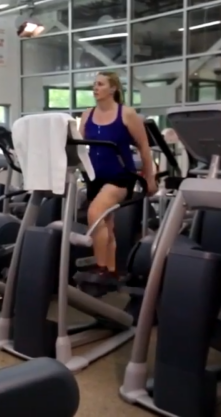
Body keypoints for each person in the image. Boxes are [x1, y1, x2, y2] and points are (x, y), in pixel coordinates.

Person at [79, 72, 158, 282]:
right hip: (96, 176)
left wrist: (149, 178)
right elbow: (78, 146)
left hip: (121, 175)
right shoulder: (87, 115)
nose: (95, 88)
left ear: (113, 88)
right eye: (94, 84)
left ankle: (101, 268)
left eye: (100, 84)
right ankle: (112, 271)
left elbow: (143, 146)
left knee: (94, 213)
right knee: (107, 223)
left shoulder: (127, 114)